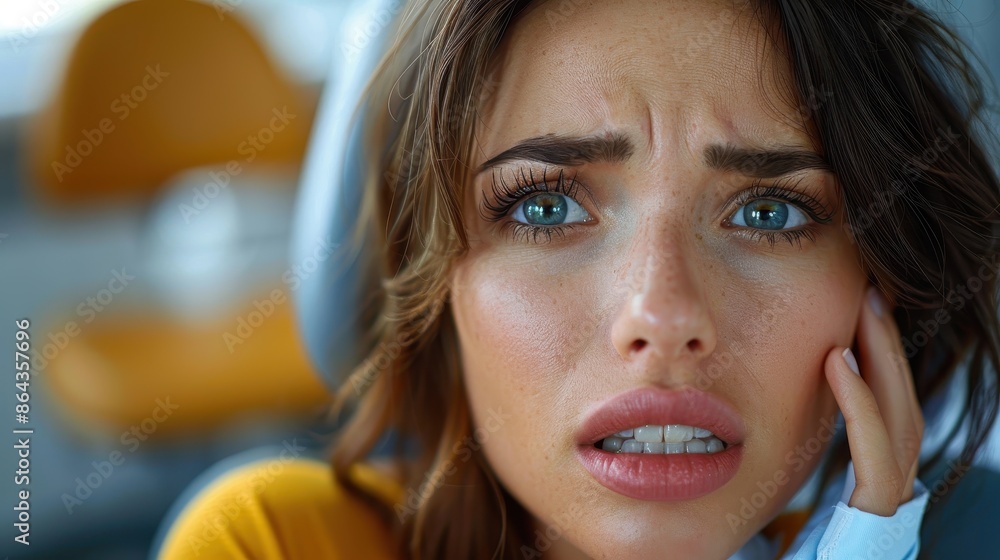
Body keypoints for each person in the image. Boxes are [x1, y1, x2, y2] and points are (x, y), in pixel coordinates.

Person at [155, 0, 1000, 558]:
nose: (662, 316)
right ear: (437, 283)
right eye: (547, 208)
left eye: (769, 212)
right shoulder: (272, 542)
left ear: (878, 290)